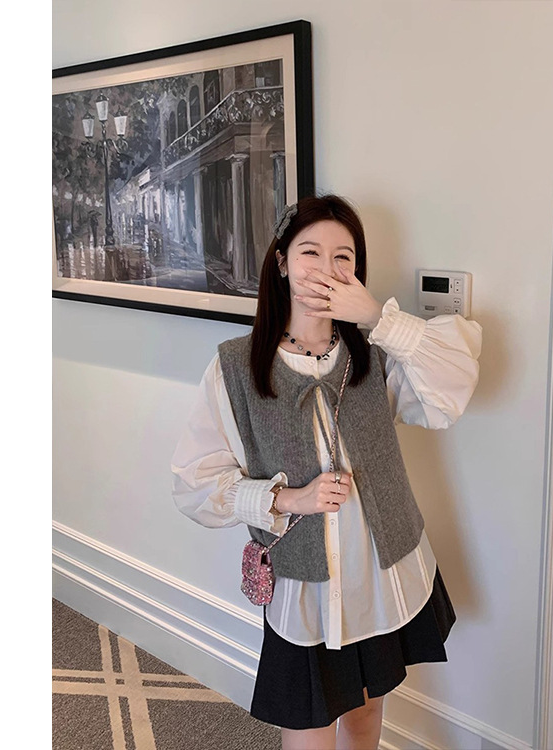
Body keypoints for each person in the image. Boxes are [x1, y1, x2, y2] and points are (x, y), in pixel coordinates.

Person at [171, 194, 482, 750]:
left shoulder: (375, 353)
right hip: (305, 591)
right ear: (282, 262)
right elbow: (194, 483)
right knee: (309, 732)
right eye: (310, 252)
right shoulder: (236, 368)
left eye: (344, 257)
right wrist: (287, 500)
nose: (327, 268)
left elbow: (454, 386)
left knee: (365, 718)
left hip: (380, 576)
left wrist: (378, 317)